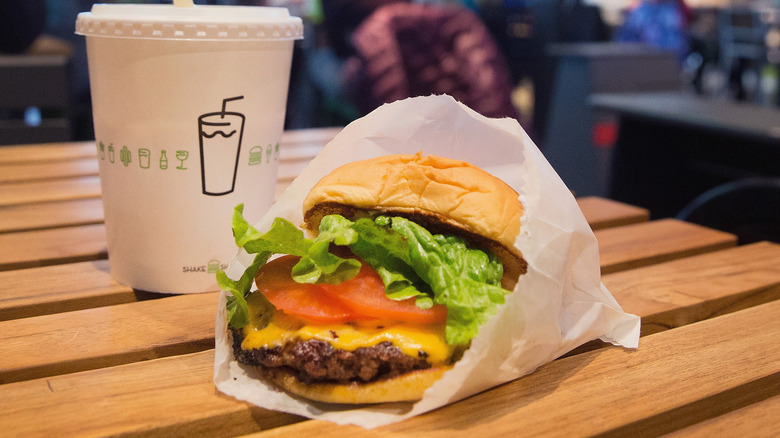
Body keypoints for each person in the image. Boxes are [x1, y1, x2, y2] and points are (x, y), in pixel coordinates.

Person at [613, 0, 691, 62]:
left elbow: (681, 45)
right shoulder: (638, 13)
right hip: (643, 66)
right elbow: (622, 47)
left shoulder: (674, 10)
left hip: (672, 67)